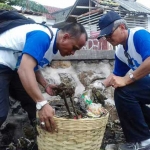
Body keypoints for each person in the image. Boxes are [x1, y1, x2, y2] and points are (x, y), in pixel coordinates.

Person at [0, 22, 88, 133]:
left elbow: (33, 66)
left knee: (32, 103)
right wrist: (42, 103)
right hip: (2, 63)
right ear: (65, 37)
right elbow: (25, 70)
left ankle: (42, 138)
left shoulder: (52, 44)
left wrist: (45, 85)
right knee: (1, 113)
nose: (73, 53)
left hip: (12, 68)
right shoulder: (42, 37)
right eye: (74, 48)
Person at [98, 10, 150, 150]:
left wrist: (127, 79)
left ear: (122, 27)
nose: (108, 38)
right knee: (124, 93)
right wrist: (98, 86)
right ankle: (138, 140)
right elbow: (115, 75)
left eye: (110, 33)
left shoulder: (139, 35)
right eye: (105, 36)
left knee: (124, 90)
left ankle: (143, 142)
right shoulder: (121, 52)